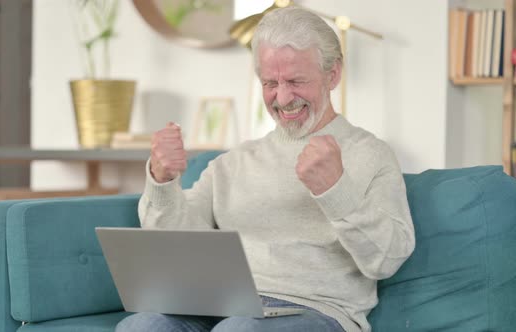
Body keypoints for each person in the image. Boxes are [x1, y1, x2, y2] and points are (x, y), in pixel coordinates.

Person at [116, 6, 415, 332]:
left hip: (316, 311)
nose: (283, 98)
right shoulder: (232, 163)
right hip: (222, 305)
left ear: (333, 75)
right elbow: (172, 247)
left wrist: (335, 189)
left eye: (296, 81)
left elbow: (387, 260)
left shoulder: (370, 154)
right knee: (142, 326)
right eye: (270, 83)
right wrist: (162, 181)